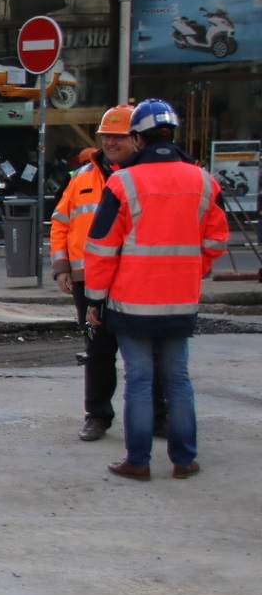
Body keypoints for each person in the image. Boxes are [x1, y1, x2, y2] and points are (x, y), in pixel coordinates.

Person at [83, 99, 228, 481]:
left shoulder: (124, 181)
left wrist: (96, 298)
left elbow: (100, 247)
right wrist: (193, 271)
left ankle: (139, 461)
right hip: (181, 300)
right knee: (178, 378)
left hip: (133, 303)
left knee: (140, 379)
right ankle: (184, 460)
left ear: (138, 137)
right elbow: (216, 240)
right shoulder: (202, 180)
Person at [51, 104, 166, 442]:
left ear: (137, 138)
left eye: (118, 136)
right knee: (98, 350)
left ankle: (158, 417)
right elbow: (61, 223)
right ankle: (97, 416)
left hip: (133, 278)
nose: (111, 142)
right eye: (106, 136)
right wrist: (61, 268)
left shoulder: (145, 177)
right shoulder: (82, 178)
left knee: (148, 350)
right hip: (87, 280)